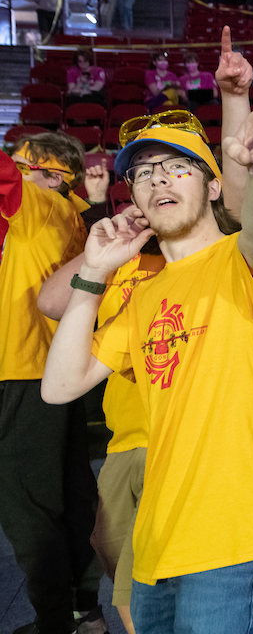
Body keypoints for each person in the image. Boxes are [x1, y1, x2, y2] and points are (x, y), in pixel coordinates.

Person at [41, 57, 253, 631]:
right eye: (142, 172)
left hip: (236, 539)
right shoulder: (143, 295)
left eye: (176, 167)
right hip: (159, 542)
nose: (157, 178)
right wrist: (93, 270)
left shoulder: (238, 262)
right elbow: (60, 386)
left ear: (213, 184)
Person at [0, 132, 105, 634]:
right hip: (54, 374)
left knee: (27, 508)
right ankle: (85, 608)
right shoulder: (75, 215)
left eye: (23, 164)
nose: (15, 172)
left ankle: (54, 621)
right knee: (69, 493)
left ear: (50, 176)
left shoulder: (38, 207)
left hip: (20, 372)